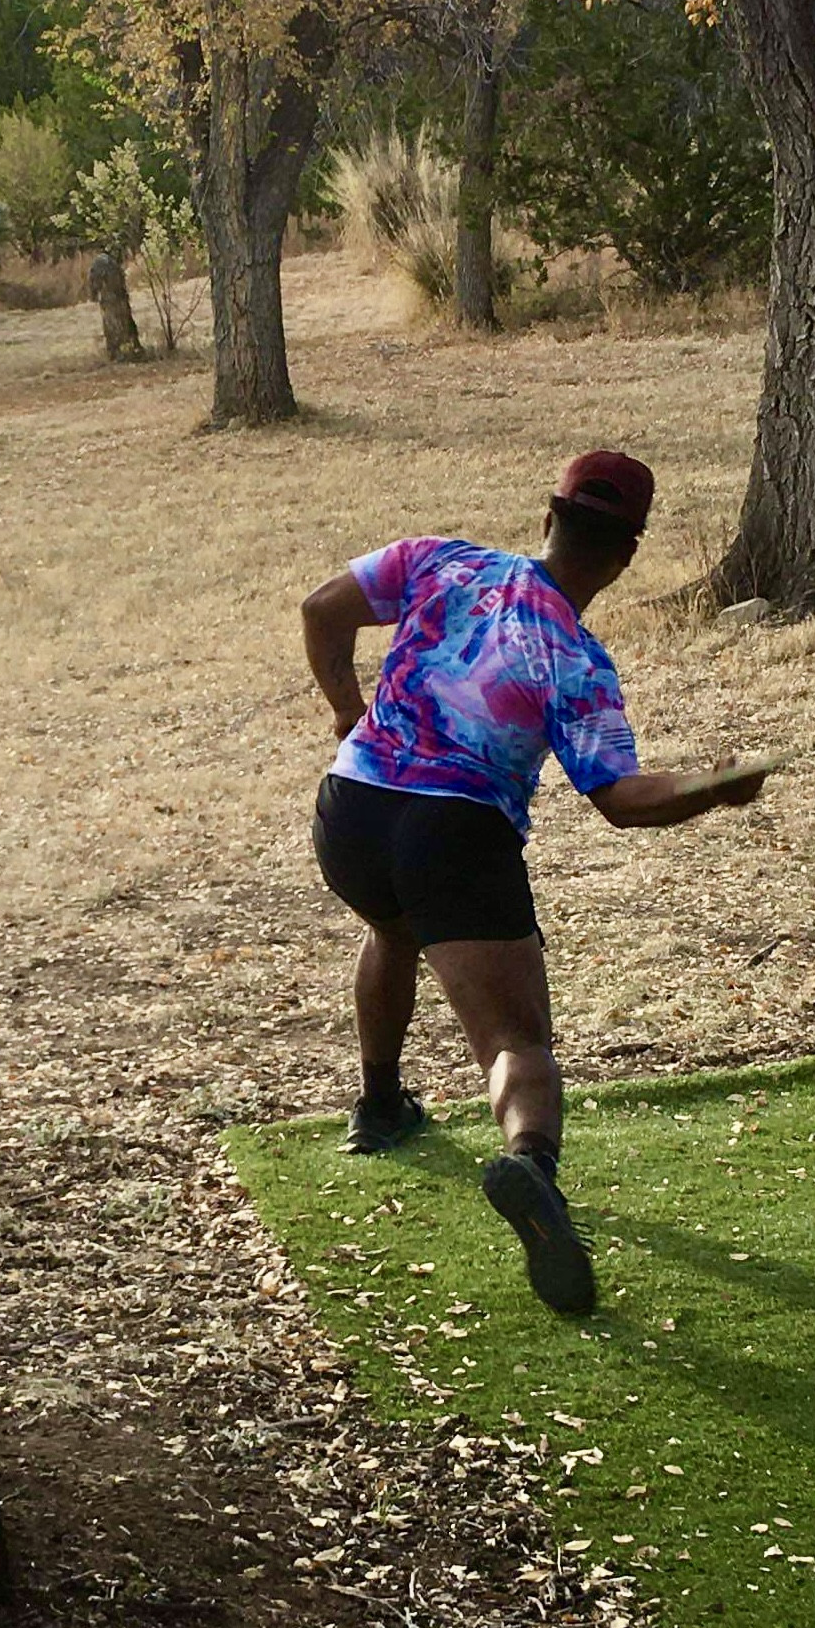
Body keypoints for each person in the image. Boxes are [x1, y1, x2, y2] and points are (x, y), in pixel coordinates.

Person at [299, 451, 767, 1318]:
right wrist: (713, 787)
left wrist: (344, 709)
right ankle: (529, 1165)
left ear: (547, 517)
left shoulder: (441, 560)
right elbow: (620, 801)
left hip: (350, 813)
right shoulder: (574, 658)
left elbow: (321, 608)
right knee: (516, 1042)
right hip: (455, 835)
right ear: (626, 555)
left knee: (393, 927)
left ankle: (379, 1105)